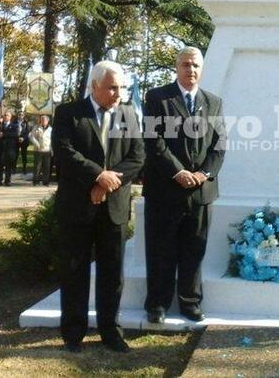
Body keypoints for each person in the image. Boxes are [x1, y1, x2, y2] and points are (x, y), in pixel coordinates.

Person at [52, 60, 144, 353]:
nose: (118, 93)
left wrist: (105, 183)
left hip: (113, 207)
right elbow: (64, 152)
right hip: (77, 205)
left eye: (121, 87)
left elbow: (138, 156)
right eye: (112, 87)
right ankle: (73, 333)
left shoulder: (129, 114)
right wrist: (96, 175)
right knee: (75, 269)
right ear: (94, 86)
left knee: (112, 272)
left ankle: (110, 331)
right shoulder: (69, 113)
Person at [142, 47, 226, 325]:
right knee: (161, 249)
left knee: (194, 250)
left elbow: (219, 145)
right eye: (186, 65)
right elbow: (154, 142)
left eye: (196, 65)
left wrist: (203, 174)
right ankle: (157, 304)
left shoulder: (213, 102)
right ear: (176, 67)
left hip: (200, 192)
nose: (191, 70)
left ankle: (190, 302)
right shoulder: (157, 98)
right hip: (165, 190)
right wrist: (178, 172)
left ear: (202, 69)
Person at [0, 111, 19, 186]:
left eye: (7, 115)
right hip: (0, 148)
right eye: (4, 115)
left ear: (10, 117)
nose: (5, 116)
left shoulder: (14, 125)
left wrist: (4, 134)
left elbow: (15, 134)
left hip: (9, 148)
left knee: (8, 166)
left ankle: (7, 181)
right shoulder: (0, 125)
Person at [30, 114, 52, 186]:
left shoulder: (51, 129)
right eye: (42, 120)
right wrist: (37, 144)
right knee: (37, 167)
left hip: (47, 150)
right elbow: (32, 137)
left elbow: (52, 140)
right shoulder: (36, 128)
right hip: (38, 150)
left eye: (45, 120)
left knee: (47, 167)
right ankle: (36, 181)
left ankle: (46, 182)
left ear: (47, 121)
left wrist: (52, 150)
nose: (43, 121)